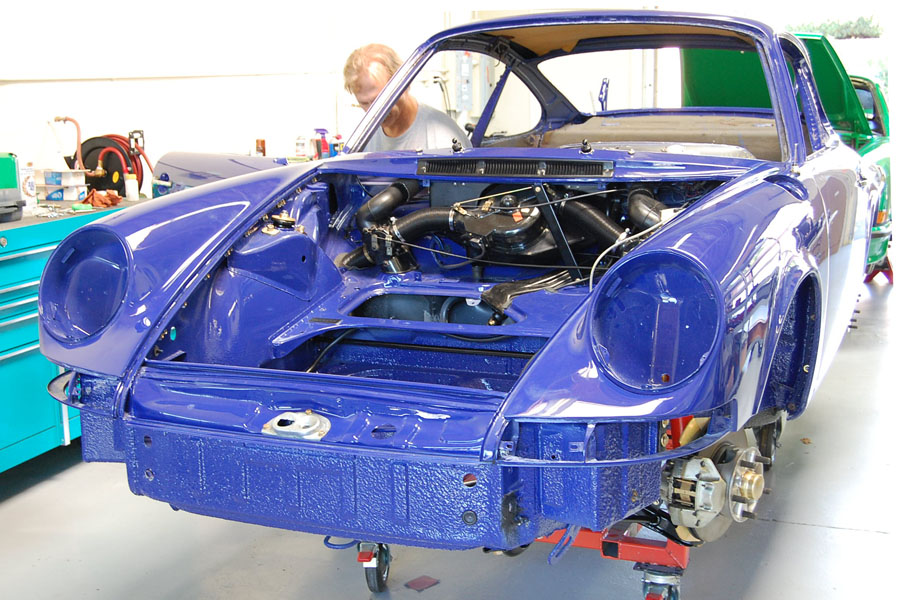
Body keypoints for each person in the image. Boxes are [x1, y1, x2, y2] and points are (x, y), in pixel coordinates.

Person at [343, 44, 471, 152]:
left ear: (404, 84)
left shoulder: (442, 136)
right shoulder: (363, 139)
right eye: (365, 103)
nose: (374, 112)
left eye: (380, 100)